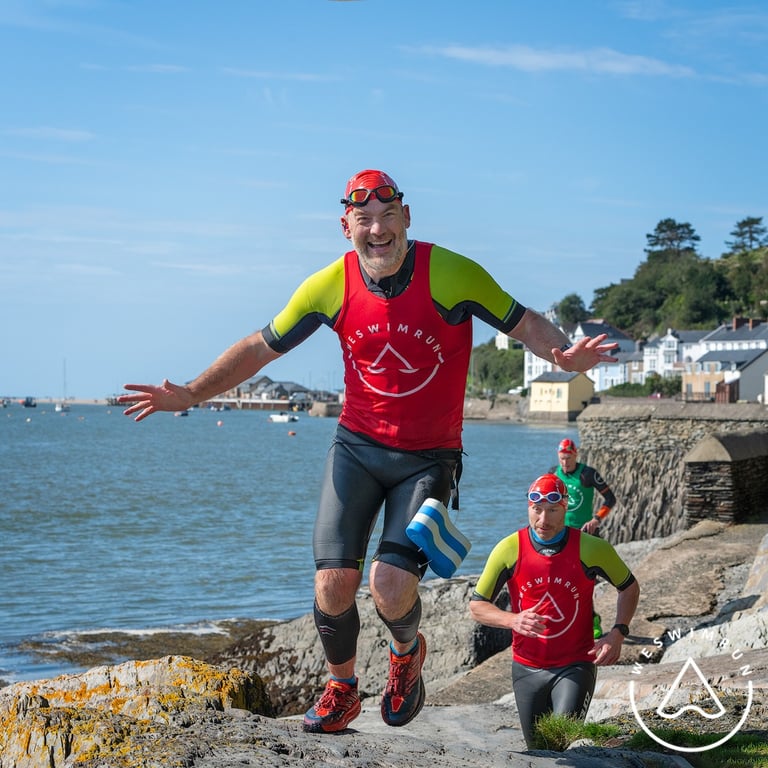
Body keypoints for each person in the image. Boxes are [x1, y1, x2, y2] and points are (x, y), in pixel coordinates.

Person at [117, 169, 618, 734]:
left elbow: (522, 322)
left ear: (407, 218)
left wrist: (562, 356)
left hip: (429, 457)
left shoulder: (451, 274)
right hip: (356, 448)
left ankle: (406, 653)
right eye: (364, 220)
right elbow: (261, 348)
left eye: (388, 217)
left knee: (389, 585)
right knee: (333, 584)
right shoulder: (329, 286)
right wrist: (191, 394)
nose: (377, 230)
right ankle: (342, 689)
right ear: (346, 226)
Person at [469, 473, 639, 749]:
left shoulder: (591, 548)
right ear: (528, 507)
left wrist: (617, 633)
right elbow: (477, 606)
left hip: (575, 665)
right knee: (538, 751)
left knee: (561, 744)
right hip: (526, 667)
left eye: (552, 510)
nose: (543, 520)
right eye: (537, 510)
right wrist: (513, 619)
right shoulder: (509, 549)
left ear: (565, 508)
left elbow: (629, 588)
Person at [551, 437, 617, 638]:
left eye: (568, 458)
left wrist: (597, 519)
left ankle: (593, 620)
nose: (565, 463)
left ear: (575, 456)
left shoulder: (587, 474)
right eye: (562, 459)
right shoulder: (553, 474)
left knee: (584, 580)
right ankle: (566, 620)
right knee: (560, 580)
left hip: (585, 534)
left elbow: (610, 498)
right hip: (561, 535)